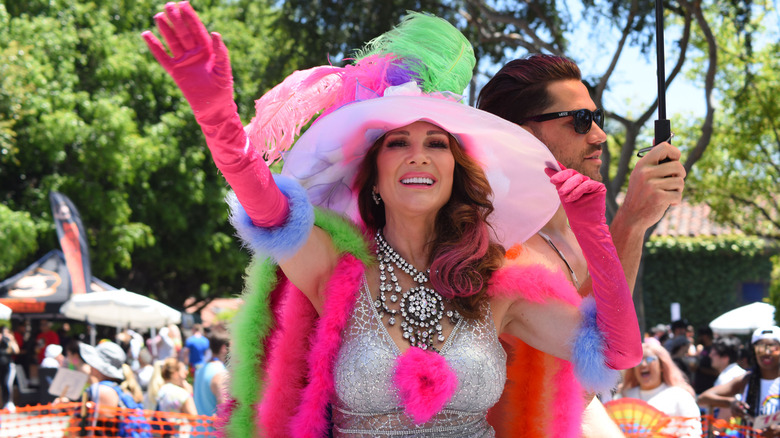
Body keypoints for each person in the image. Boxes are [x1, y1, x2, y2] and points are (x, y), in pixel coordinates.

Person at [143, 3, 641, 435]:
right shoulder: (336, 270)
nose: (418, 156)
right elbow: (266, 206)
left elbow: (618, 352)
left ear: (456, 172)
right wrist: (217, 118)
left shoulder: (497, 282)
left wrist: (595, 229)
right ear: (374, 177)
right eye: (398, 143)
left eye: (436, 144)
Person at [476, 54, 686, 435]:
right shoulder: (499, 245)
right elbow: (598, 356)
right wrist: (632, 220)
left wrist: (630, 225)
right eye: (579, 120)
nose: (599, 136)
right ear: (519, 133)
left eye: (596, 117)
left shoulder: (575, 232)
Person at [699, 326, 780, 437]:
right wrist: (731, 403)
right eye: (760, 348)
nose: (766, 352)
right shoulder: (746, 380)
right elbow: (703, 398)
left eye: (773, 347)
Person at [619, 341, 702, 437]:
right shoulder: (623, 397)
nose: (644, 364)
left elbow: (693, 432)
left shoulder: (680, 396)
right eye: (639, 360)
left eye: (650, 359)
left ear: (662, 366)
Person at [699, 336, 745, 419]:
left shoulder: (727, 377)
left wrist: (715, 429)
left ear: (725, 358)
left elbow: (726, 410)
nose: (710, 356)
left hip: (728, 429)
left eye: (713, 354)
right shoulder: (736, 372)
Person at [192, 329, 228, 416]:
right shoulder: (221, 373)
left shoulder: (201, 370)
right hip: (211, 429)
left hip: (199, 428)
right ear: (223, 348)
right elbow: (225, 412)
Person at [0, 325, 19, 411]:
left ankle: (9, 402)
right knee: (3, 385)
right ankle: (4, 403)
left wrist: (11, 340)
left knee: (7, 384)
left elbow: (16, 351)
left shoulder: (9, 341)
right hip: (1, 367)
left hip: (8, 366)